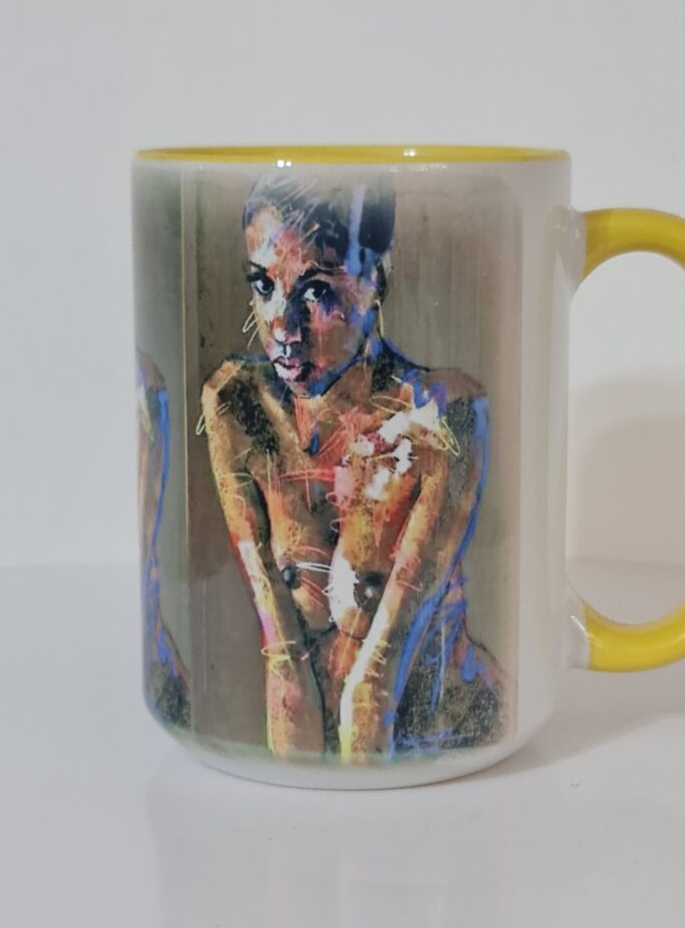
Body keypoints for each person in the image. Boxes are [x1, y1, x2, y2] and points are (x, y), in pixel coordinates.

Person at [200, 176, 503, 761]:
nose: (283, 328)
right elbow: (284, 662)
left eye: (316, 292)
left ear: (375, 281)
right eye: (264, 286)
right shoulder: (236, 406)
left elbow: (372, 691)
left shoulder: (441, 419)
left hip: (453, 757)